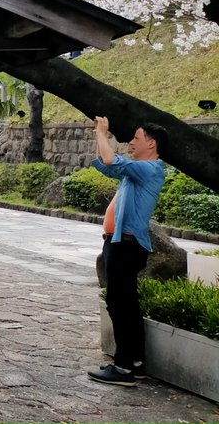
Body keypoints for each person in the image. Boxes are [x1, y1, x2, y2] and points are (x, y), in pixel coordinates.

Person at [87, 117, 167, 387]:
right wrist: (102, 139)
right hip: (121, 243)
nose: (131, 143)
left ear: (151, 143)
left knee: (119, 304)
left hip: (126, 245)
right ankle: (135, 362)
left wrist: (102, 133)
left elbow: (112, 161)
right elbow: (108, 166)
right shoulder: (137, 170)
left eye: (136, 138)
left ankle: (122, 368)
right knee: (127, 304)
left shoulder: (150, 169)